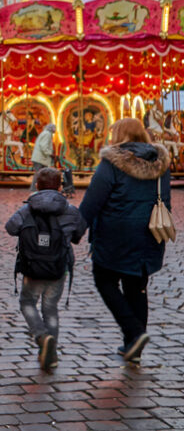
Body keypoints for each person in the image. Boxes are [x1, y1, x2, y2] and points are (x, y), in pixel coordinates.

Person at [78, 117, 171, 364]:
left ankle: (135, 331)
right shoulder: (160, 163)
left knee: (104, 279)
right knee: (137, 286)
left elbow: (92, 201)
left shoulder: (112, 164)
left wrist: (75, 230)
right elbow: (166, 201)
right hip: (149, 234)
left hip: (115, 235)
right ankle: (134, 347)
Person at [5, 167, 87, 372]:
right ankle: (51, 355)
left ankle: (41, 336)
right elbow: (78, 233)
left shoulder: (27, 209)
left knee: (27, 302)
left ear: (37, 186)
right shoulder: (70, 210)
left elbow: (10, 227)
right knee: (50, 308)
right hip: (58, 268)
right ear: (60, 186)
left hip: (32, 267)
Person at [30, 124, 56, 192]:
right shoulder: (47, 134)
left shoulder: (45, 133)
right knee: (39, 174)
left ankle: (39, 188)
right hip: (40, 158)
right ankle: (34, 188)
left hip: (40, 158)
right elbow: (44, 146)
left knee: (41, 174)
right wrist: (50, 154)